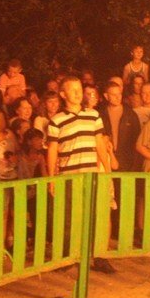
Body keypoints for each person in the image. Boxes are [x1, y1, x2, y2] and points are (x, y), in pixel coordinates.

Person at [45, 77, 114, 272]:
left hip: (91, 174)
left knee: (96, 215)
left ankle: (99, 256)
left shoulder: (93, 115)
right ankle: (69, 258)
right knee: (70, 218)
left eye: (79, 88)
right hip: (69, 175)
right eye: (72, 89)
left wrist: (107, 172)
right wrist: (52, 178)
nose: (77, 92)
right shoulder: (57, 120)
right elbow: (52, 150)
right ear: (63, 94)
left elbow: (100, 143)